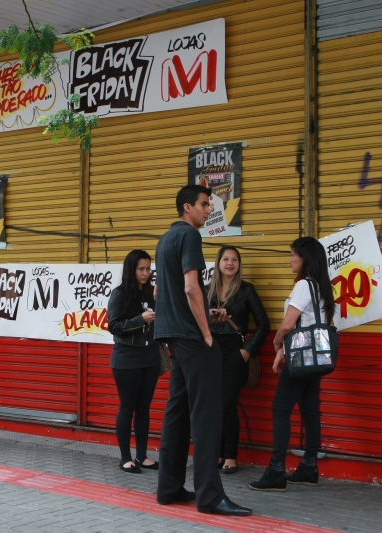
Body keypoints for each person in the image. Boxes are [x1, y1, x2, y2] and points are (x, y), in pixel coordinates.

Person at [154, 184, 251, 516]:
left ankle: (168, 488)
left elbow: (166, 294)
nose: (210, 210)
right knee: (207, 417)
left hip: (172, 337)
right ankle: (210, 496)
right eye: (205, 204)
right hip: (193, 339)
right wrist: (207, 332)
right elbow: (192, 287)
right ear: (187, 208)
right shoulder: (191, 237)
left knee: (177, 412)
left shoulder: (165, 240)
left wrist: (200, 316)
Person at [249, 236, 335, 492]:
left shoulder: (303, 286)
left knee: (280, 409)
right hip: (317, 356)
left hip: (300, 357)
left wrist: (276, 344)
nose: (290, 259)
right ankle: (309, 466)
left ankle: (276, 469)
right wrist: (283, 351)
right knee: (309, 410)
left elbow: (288, 324)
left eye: (293, 255)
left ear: (305, 258)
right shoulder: (323, 286)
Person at [208, 246, 270, 474]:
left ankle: (231, 456)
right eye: (225, 259)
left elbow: (264, 325)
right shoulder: (207, 291)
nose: (230, 263)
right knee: (214, 406)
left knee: (227, 405)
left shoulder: (246, 290)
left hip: (235, 352)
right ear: (218, 263)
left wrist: (247, 352)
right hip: (211, 352)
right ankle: (219, 453)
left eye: (234, 259)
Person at [107, 250, 160, 474]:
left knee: (144, 409)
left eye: (148, 269)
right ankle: (125, 458)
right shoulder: (120, 294)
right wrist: (140, 319)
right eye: (141, 269)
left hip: (150, 357)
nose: (146, 273)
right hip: (126, 357)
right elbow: (114, 326)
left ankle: (142, 455)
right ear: (131, 269)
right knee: (127, 407)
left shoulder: (151, 292)